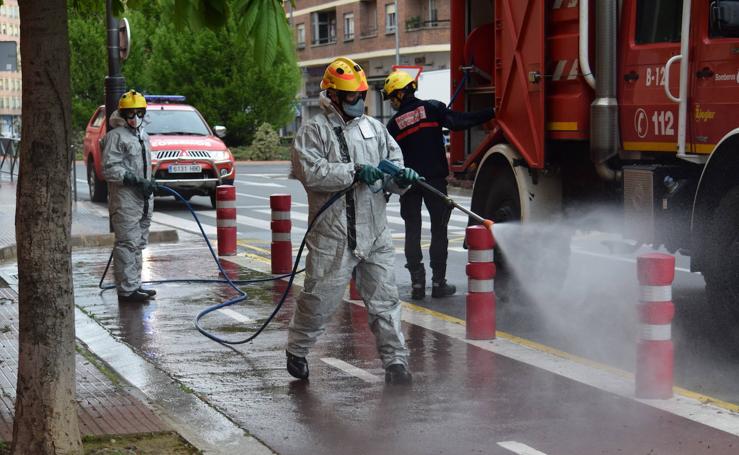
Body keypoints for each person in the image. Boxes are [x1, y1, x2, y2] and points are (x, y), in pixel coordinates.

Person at [287, 57, 422, 385]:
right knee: (319, 299)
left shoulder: (373, 128)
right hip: (333, 235)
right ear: (332, 96)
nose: (359, 101)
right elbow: (311, 172)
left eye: (361, 95)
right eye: (351, 96)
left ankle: (395, 362)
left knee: (385, 299)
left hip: (374, 231)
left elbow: (392, 164)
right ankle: (298, 349)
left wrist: (401, 177)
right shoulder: (314, 131)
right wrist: (354, 171)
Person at [383, 70, 495, 300]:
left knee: (412, 231)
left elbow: (387, 157)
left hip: (408, 183)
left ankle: (417, 284)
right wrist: (490, 113)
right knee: (439, 231)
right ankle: (438, 283)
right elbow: (458, 121)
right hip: (434, 181)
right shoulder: (432, 108)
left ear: (403, 92)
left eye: (393, 96)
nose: (392, 102)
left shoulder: (393, 125)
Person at [102, 90, 158, 303]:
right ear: (123, 114)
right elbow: (110, 168)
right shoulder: (115, 137)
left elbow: (143, 164)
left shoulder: (142, 135)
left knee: (139, 243)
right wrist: (134, 180)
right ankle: (127, 291)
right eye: (130, 114)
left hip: (142, 200)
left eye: (139, 114)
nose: (135, 118)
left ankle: (134, 284)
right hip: (125, 200)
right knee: (127, 243)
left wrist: (150, 182)